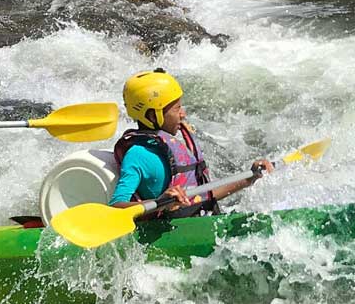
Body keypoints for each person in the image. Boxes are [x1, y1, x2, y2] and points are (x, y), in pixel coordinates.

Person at [110, 69, 272, 219]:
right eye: (177, 108)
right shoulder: (138, 155)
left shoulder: (176, 144)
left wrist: (249, 177)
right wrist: (162, 202)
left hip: (202, 219)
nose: (183, 113)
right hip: (170, 235)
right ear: (153, 116)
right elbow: (116, 206)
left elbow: (202, 194)